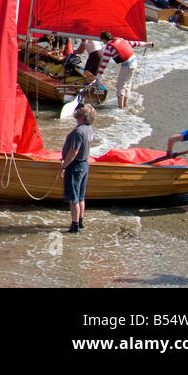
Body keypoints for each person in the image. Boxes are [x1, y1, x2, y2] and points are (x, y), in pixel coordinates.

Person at [61, 104, 94, 233]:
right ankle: (80, 222)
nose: (77, 111)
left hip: (75, 166)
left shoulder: (78, 131)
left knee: (74, 197)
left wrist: (64, 166)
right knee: (80, 196)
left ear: (83, 116)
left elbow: (74, 151)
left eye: (81, 110)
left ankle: (74, 226)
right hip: (84, 164)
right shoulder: (89, 129)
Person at [100, 30, 139, 109]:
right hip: (134, 62)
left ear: (104, 39)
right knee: (127, 84)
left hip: (127, 65)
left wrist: (98, 77)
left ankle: (120, 108)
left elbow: (104, 64)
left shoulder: (109, 47)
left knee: (120, 86)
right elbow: (133, 43)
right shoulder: (120, 39)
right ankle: (125, 105)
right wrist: (148, 44)